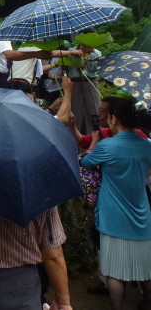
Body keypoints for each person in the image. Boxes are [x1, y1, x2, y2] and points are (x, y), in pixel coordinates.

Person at [81, 98, 151, 310]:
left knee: (114, 272)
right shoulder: (146, 145)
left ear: (114, 119)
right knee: (146, 269)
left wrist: (93, 142)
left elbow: (86, 162)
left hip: (112, 216)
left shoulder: (107, 146)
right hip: (142, 215)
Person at [0, 28, 78, 88]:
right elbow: (9, 55)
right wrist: (71, 52)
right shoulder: (2, 32)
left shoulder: (20, 46)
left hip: (0, 76)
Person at [67, 41, 102, 134]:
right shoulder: (71, 51)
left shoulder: (96, 53)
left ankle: (96, 133)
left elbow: (94, 69)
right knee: (76, 110)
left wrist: (88, 56)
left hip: (90, 80)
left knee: (94, 108)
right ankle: (77, 135)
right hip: (75, 82)